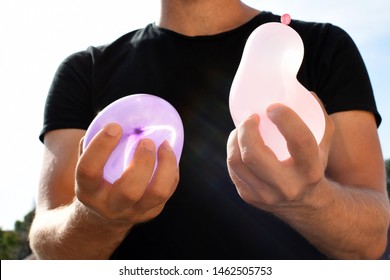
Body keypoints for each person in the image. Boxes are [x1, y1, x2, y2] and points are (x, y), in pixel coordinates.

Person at [29, 0, 390, 259]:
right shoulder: (84, 71)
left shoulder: (325, 47)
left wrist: (309, 200)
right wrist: (97, 218)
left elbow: (371, 241)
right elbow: (47, 245)